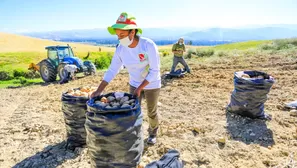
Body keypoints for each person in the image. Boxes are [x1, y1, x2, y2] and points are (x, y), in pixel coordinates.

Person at [90, 12, 161, 145]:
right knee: (133, 111)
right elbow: (112, 70)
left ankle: (153, 132)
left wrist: (141, 88)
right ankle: (135, 134)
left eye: (122, 35)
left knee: (151, 111)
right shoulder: (121, 49)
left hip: (152, 84)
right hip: (134, 83)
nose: (119, 38)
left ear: (132, 32)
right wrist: (99, 90)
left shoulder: (148, 45)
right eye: (118, 35)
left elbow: (155, 70)